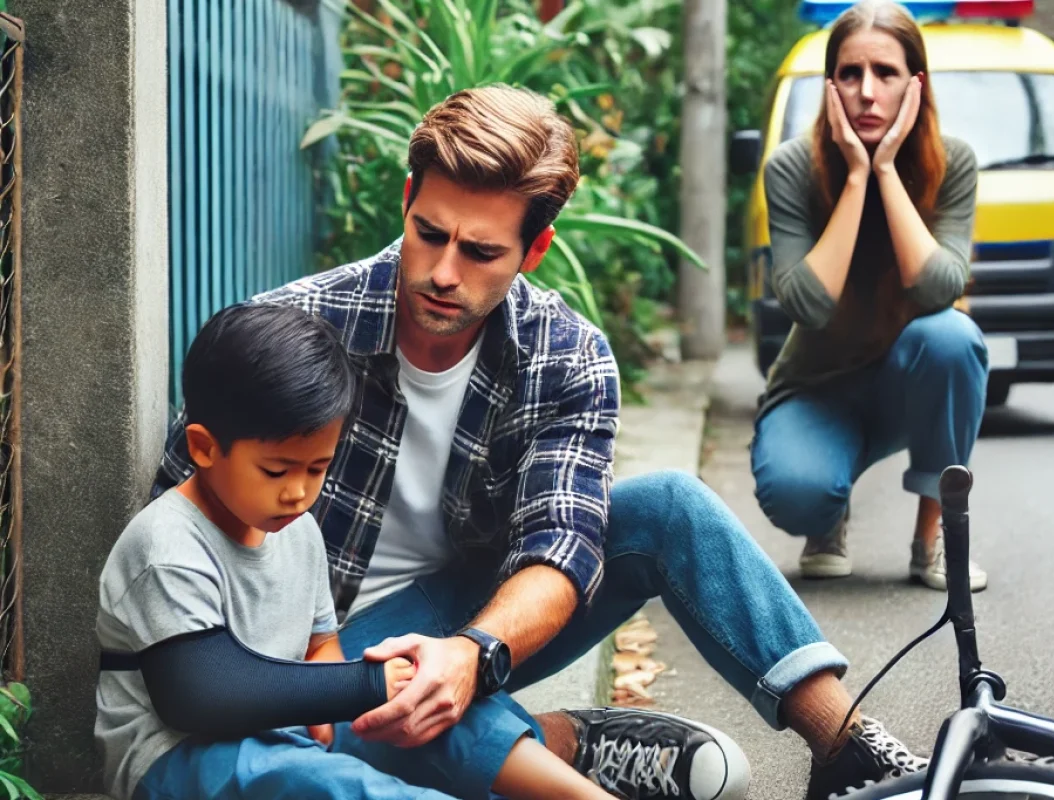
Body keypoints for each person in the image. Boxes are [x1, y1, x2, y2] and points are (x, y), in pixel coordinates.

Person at [151, 84, 929, 800]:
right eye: (428, 234)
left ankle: (851, 747)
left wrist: (476, 652)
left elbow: (562, 549)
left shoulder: (566, 355)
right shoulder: (296, 329)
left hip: (471, 612)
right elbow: (179, 520)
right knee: (406, 696)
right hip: (316, 658)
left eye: (481, 252)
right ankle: (565, 745)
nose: (442, 272)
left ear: (535, 251)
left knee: (669, 506)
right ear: (407, 201)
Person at [96, 303, 629, 800]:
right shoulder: (165, 546)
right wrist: (361, 685)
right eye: (276, 471)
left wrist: (352, 708)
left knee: (431, 709)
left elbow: (321, 642)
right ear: (203, 448)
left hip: (283, 730)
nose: (297, 492)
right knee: (336, 783)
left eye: (316, 468)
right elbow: (202, 694)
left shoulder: (294, 528)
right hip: (181, 756)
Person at [751, 0, 990, 592]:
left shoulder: (952, 163)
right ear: (830, 87)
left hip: (906, 383)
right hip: (818, 389)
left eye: (885, 73)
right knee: (797, 494)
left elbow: (939, 289)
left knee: (953, 335)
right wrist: (858, 176)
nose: (866, 92)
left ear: (915, 86)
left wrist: (887, 172)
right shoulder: (791, 170)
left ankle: (935, 540)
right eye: (850, 74)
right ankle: (827, 517)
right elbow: (807, 304)